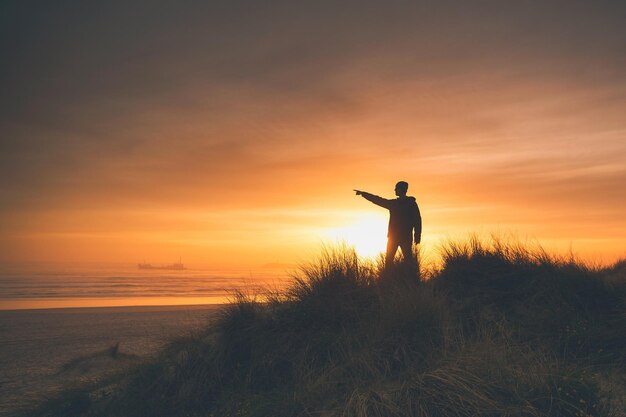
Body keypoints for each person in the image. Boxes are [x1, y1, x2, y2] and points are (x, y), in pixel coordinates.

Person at [354, 181, 422, 265]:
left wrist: (417, 236)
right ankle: (388, 277)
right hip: (394, 237)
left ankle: (408, 277)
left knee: (407, 262)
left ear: (401, 189)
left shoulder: (410, 204)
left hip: (404, 237)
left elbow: (417, 220)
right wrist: (364, 194)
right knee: (389, 261)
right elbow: (378, 200)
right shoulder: (394, 203)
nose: (395, 190)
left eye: (396, 188)